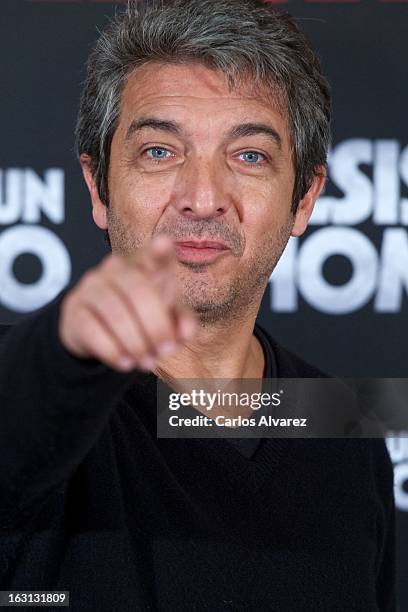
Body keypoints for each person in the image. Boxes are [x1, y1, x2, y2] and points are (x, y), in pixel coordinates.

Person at [0, 0, 396, 610]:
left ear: (305, 198)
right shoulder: (39, 392)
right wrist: (68, 348)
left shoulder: (344, 427)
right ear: (98, 187)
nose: (204, 197)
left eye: (249, 156)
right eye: (159, 151)